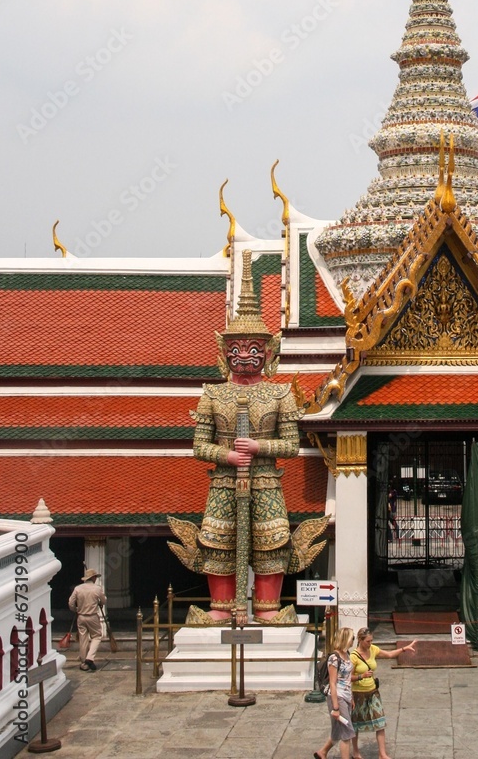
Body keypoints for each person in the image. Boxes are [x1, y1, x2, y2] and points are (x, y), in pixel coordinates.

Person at [168, 251, 326, 625]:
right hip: (224, 481)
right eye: (236, 349)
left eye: (254, 349)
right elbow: (198, 446)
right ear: (224, 352)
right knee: (219, 544)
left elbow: (291, 444)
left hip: (267, 480)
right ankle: (222, 608)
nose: (244, 356)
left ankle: (267, 608)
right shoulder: (212, 393)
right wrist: (227, 456)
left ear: (268, 352)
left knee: (271, 543)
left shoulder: (280, 394)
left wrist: (257, 448)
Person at [350, 627, 417, 759]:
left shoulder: (373, 649)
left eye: (371, 641)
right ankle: (356, 751)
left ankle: (382, 753)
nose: (370, 644)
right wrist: (361, 676)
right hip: (358, 693)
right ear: (360, 640)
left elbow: (389, 655)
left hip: (373, 692)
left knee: (380, 722)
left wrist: (404, 648)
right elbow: (347, 678)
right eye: (368, 641)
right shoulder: (353, 657)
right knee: (356, 724)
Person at [314, 627, 357, 759]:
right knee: (347, 731)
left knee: (338, 729)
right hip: (337, 697)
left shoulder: (347, 654)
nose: (353, 641)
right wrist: (336, 707)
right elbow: (333, 683)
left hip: (346, 695)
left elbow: (348, 679)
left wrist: (352, 698)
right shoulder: (334, 658)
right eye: (352, 638)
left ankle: (322, 752)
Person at [68, 568, 106, 672]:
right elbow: (104, 600)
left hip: (81, 616)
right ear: (93, 578)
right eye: (95, 577)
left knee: (83, 639)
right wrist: (100, 603)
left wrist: (75, 609)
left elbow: (71, 603)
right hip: (92, 616)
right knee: (97, 636)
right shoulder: (97, 588)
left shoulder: (78, 588)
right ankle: (89, 658)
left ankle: (84, 663)